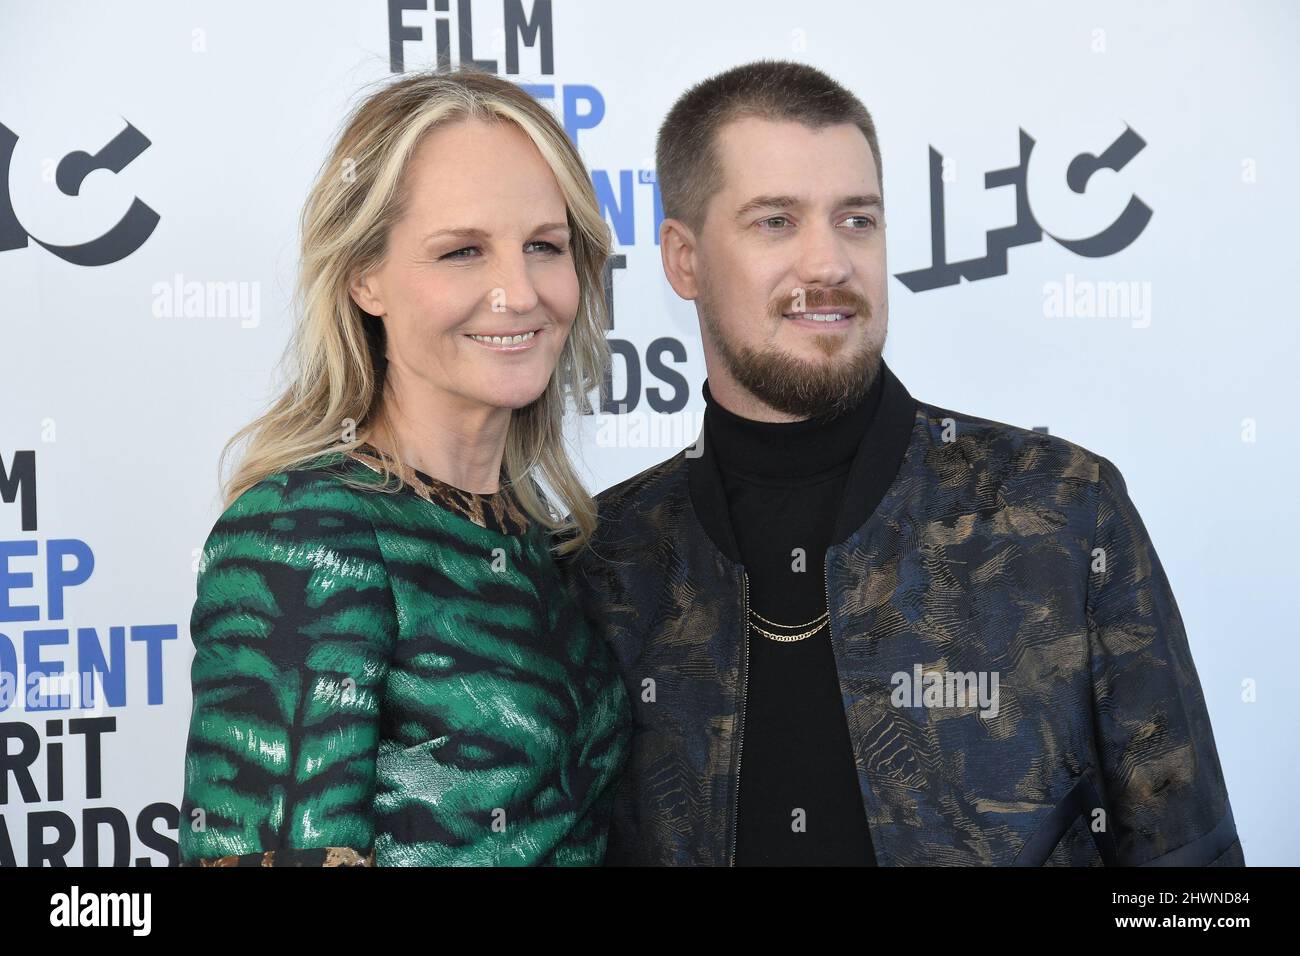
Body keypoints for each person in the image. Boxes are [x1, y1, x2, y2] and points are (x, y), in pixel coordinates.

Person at [564, 59, 1243, 867]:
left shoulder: (1060, 513)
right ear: (683, 259)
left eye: (857, 220)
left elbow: (1195, 881)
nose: (828, 265)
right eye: (775, 221)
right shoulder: (605, 565)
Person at [178, 68, 630, 866]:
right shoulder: (307, 533)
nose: (517, 292)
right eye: (462, 251)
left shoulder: (540, 544)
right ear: (365, 276)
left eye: (544, 247)